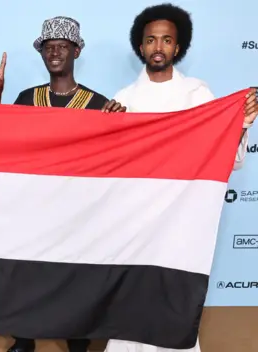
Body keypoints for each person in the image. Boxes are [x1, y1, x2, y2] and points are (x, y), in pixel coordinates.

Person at [104, 4, 257, 352]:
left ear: (178, 46)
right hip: (136, 220)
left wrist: (242, 122)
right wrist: (107, 128)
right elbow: (110, 168)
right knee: (133, 298)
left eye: (167, 40)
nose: (159, 47)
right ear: (140, 47)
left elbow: (224, 157)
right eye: (151, 40)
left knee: (174, 299)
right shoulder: (123, 100)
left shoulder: (197, 95)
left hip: (181, 218)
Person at [0, 16, 124, 352]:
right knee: (25, 272)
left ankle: (77, 339)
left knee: (76, 276)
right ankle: (23, 337)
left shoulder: (97, 103)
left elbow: (112, 159)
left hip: (76, 210)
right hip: (33, 206)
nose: (55, 53)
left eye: (62, 47)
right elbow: (0, 141)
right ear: (42, 54)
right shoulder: (27, 97)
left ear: (76, 51)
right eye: (49, 48)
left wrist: (118, 127)